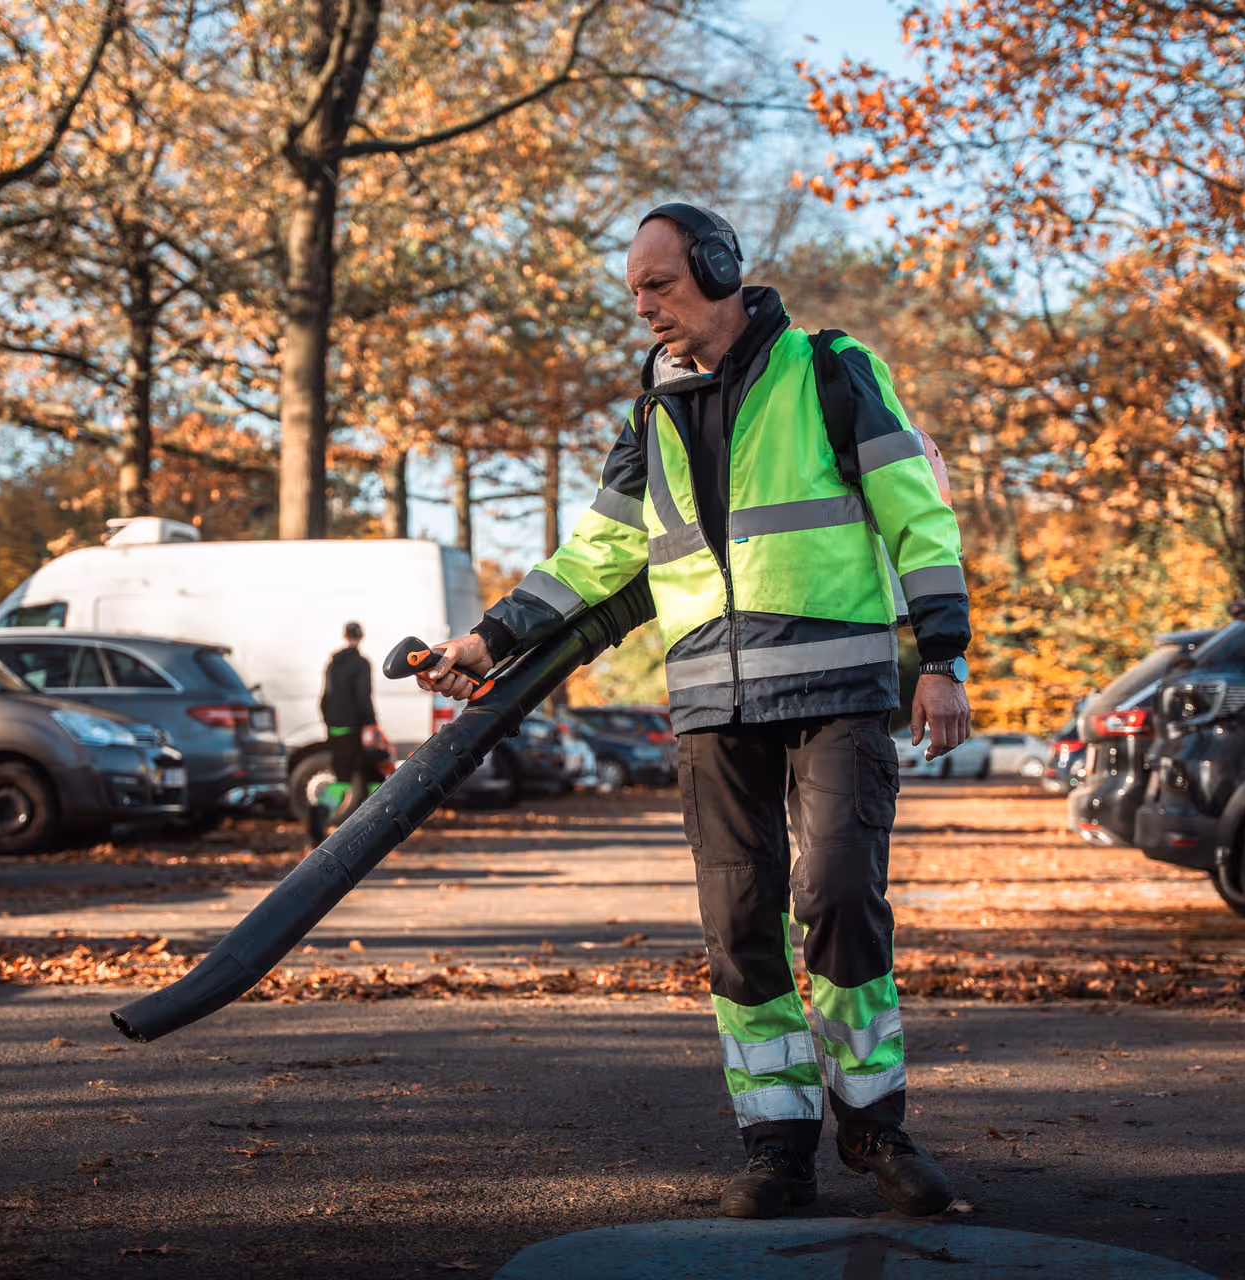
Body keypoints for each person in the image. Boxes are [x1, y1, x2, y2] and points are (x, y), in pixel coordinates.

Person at [417, 204, 973, 1220]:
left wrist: (941, 656)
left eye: (658, 284)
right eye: (634, 289)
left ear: (718, 271)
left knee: (841, 896)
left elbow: (916, 512)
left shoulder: (831, 368)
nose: (642, 306)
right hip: (711, 705)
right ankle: (776, 1144)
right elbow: (597, 556)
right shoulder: (650, 414)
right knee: (735, 922)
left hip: (839, 688)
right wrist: (488, 640)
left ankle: (876, 1126)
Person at [319, 622, 376, 818]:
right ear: (361, 637)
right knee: (370, 771)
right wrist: (371, 722)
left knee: (341, 775)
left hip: (335, 726)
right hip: (354, 725)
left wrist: (328, 721)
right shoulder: (361, 664)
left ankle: (319, 818)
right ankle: (372, 817)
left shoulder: (333, 663)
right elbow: (363, 696)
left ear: (345, 636)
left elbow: (325, 697)